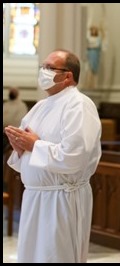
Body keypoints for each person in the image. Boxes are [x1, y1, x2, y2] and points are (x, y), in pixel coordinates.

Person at [4, 49, 102, 263]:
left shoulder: (79, 105)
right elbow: (30, 154)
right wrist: (20, 150)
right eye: (42, 67)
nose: (43, 72)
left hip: (62, 199)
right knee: (31, 257)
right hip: (34, 197)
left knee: (55, 257)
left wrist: (34, 145)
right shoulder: (39, 107)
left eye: (49, 68)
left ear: (68, 75)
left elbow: (75, 157)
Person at [3, 87, 28, 152]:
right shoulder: (5, 105)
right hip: (4, 133)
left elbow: (19, 121)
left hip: (14, 135)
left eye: (13, 91)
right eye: (11, 92)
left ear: (17, 94)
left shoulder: (21, 106)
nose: (12, 93)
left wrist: (7, 125)